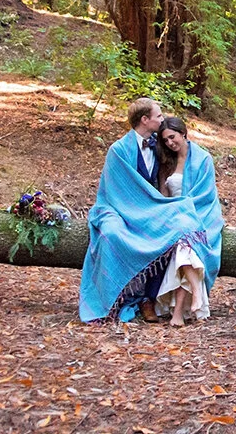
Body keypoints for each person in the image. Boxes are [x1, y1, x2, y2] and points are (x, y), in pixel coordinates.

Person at [78, 98, 220, 323]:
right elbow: (115, 189)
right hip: (118, 207)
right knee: (112, 235)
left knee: (172, 233)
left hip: (153, 208)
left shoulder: (159, 146)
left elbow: (173, 175)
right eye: (159, 116)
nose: (162, 120)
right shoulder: (119, 150)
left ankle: (149, 299)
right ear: (145, 120)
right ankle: (114, 298)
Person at [152, 116, 223, 326]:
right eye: (165, 140)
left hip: (200, 215)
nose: (170, 143)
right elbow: (163, 196)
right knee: (182, 237)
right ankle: (195, 298)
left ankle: (177, 313)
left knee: (185, 240)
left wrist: (185, 210)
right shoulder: (166, 162)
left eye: (172, 137)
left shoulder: (203, 159)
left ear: (183, 133)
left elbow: (207, 194)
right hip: (174, 216)